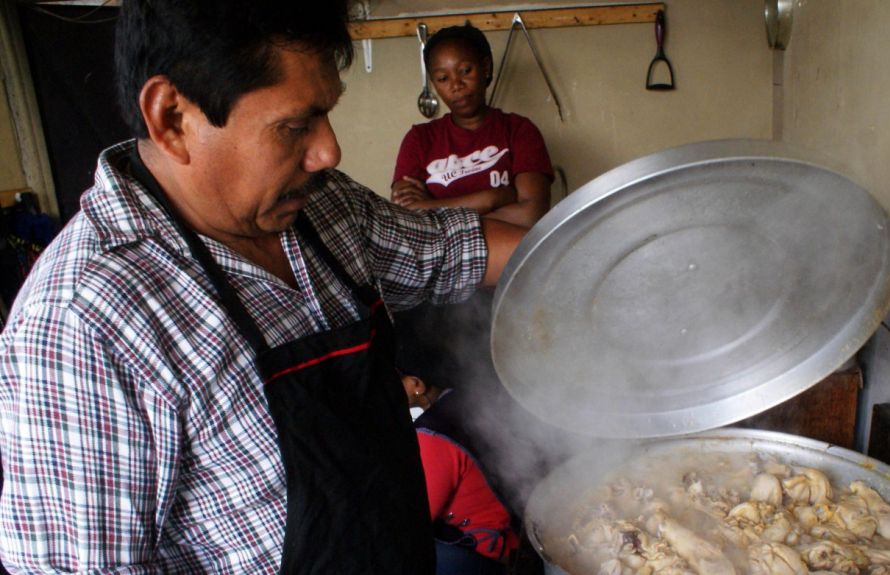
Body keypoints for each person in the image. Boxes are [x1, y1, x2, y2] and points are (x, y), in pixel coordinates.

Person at [0, 1, 527, 573]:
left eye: (327, 115)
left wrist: (611, 255)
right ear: (172, 117)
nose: (329, 151)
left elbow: (451, 248)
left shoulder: (322, 207)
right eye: (296, 126)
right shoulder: (82, 322)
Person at [391, 24, 554, 228]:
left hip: (509, 258)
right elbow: (406, 219)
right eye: (443, 78)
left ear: (485, 68)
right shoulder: (419, 139)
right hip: (443, 261)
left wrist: (432, 209)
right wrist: (492, 199)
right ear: (434, 83)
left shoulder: (519, 130)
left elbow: (531, 216)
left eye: (465, 71)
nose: (456, 85)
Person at [396, 338, 520, 575]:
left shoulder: (432, 436)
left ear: (416, 384)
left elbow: (418, 517)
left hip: (489, 548)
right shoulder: (469, 397)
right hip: (517, 523)